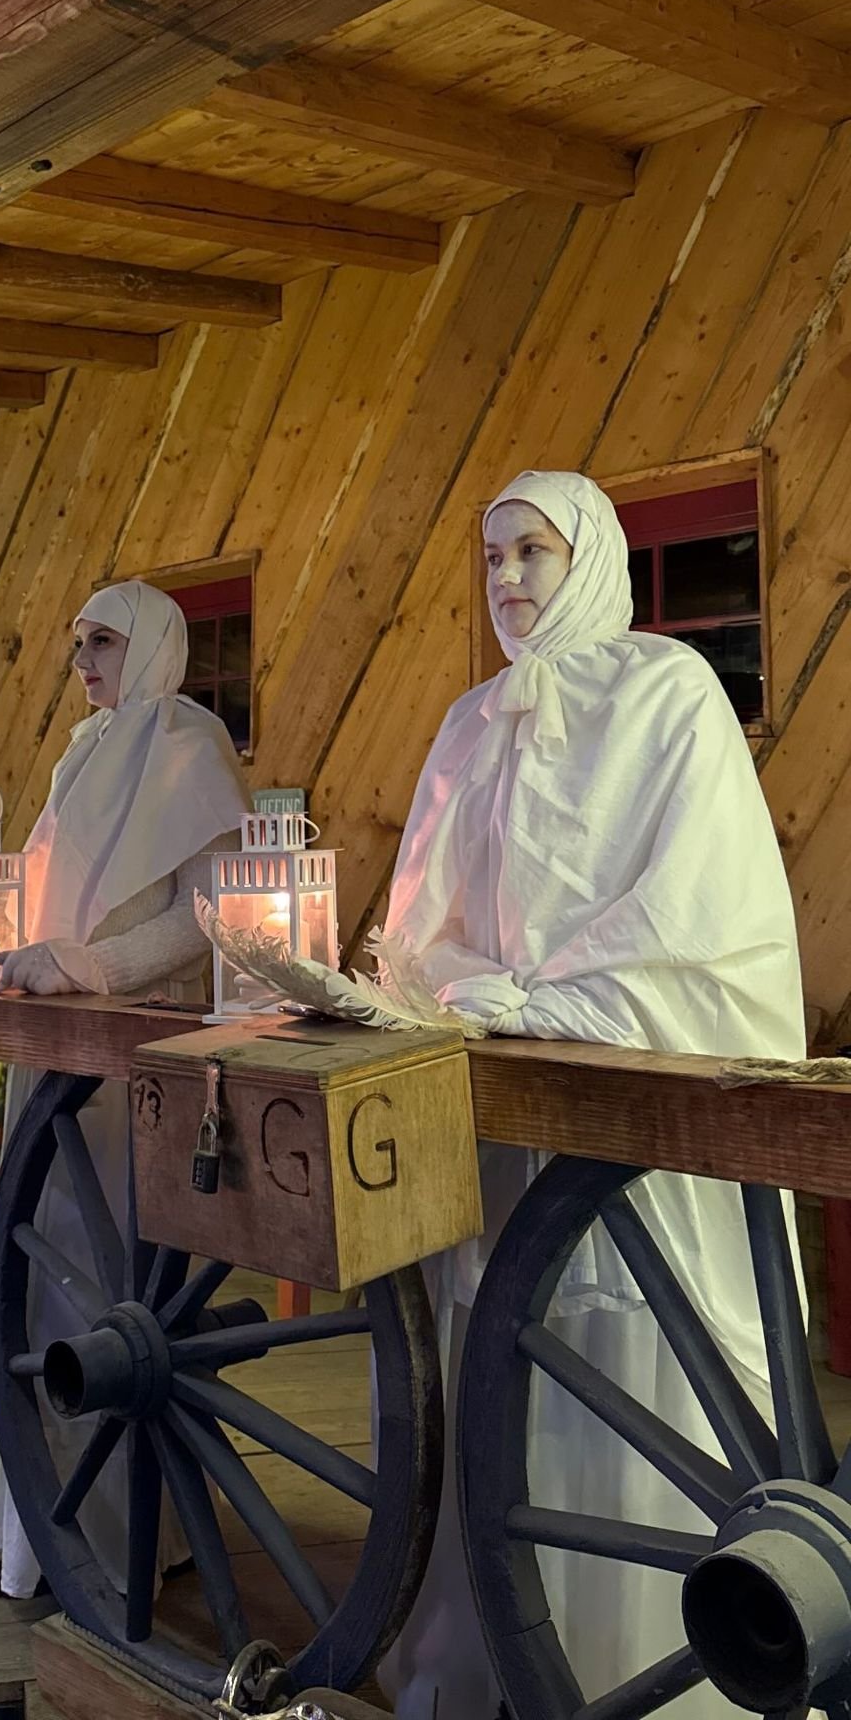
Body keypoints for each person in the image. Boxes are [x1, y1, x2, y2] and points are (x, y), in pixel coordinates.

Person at [378, 470, 805, 1719]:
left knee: (622, 1348)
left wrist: (545, 996)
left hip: (628, 1100)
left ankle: (636, 1670)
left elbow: (699, 905)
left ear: (592, 560)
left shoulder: (669, 692)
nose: (506, 577)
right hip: (496, 1100)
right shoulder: (469, 722)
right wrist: (465, 987)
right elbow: (417, 922)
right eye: (491, 555)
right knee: (503, 1350)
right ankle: (489, 1658)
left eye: (534, 551)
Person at [0, 580, 251, 1600]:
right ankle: (42, 1529)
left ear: (151, 646)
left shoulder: (191, 745)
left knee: (110, 1280)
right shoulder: (80, 753)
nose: (82, 659)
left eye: (102, 640)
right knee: (39, 1271)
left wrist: (96, 968)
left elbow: (207, 912)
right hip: (54, 1046)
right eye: (76, 641)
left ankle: (123, 1527)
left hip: (133, 1054)